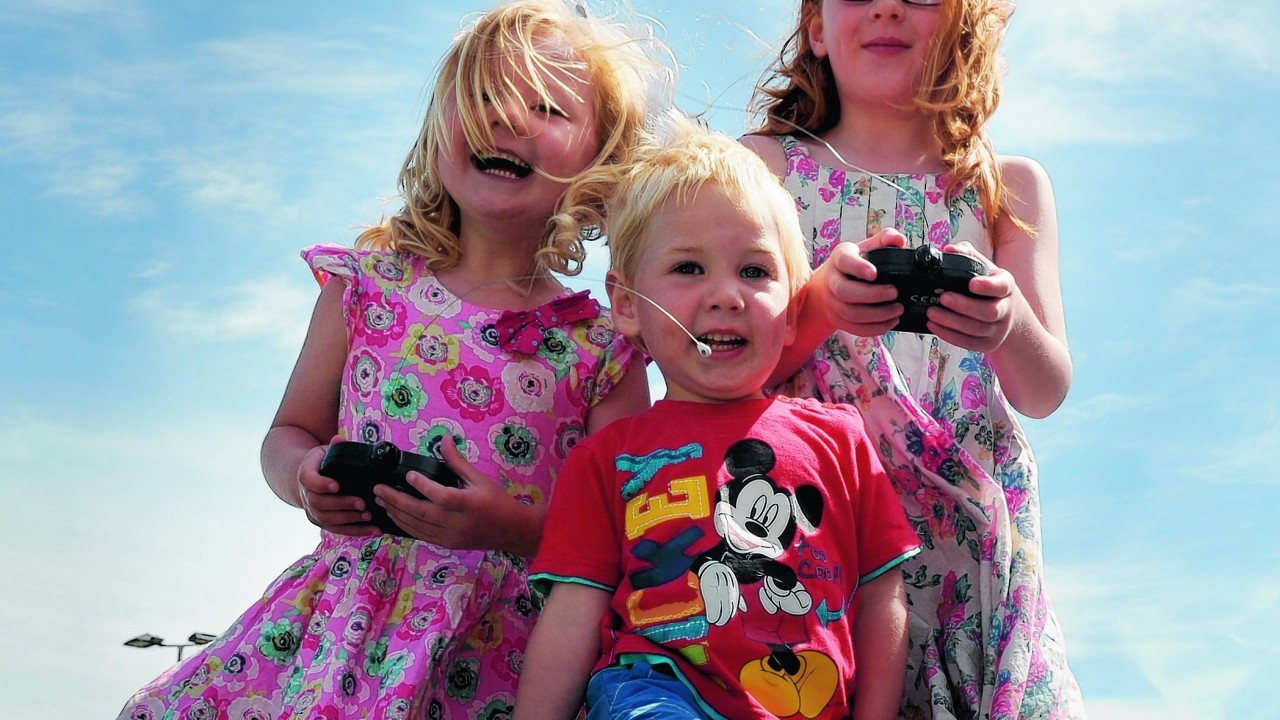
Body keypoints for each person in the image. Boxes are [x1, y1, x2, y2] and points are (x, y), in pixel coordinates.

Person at [116, 1, 672, 717]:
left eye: (547, 106)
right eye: (484, 96)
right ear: (437, 125)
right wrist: (303, 476)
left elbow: (622, 534)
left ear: (600, 160)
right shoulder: (364, 291)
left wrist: (512, 528)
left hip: (505, 655)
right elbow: (287, 432)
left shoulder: (600, 349)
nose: (508, 118)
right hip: (343, 628)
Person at [739, 0, 1084, 717]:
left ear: (960, 24)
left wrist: (1008, 321)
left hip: (972, 548)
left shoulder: (1007, 185)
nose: (889, 6)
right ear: (815, 27)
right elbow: (722, 362)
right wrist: (820, 309)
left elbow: (1044, 388)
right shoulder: (761, 170)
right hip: (812, 523)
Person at [515, 119, 923, 720]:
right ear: (626, 305)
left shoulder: (840, 439)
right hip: (655, 693)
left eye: (755, 272)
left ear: (791, 313)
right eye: (688, 268)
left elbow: (885, 596)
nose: (726, 295)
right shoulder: (606, 458)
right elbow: (572, 614)